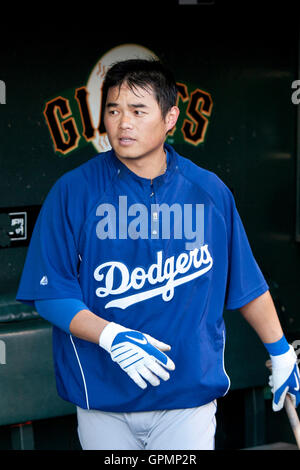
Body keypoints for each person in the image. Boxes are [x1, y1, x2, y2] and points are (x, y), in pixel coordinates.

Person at [16, 58, 300, 450]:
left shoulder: (208, 191)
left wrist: (281, 350)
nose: (123, 123)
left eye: (137, 110)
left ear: (170, 118)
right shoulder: (73, 191)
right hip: (102, 396)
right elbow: (50, 292)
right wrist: (112, 337)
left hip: (186, 397)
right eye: (113, 110)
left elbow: (245, 282)